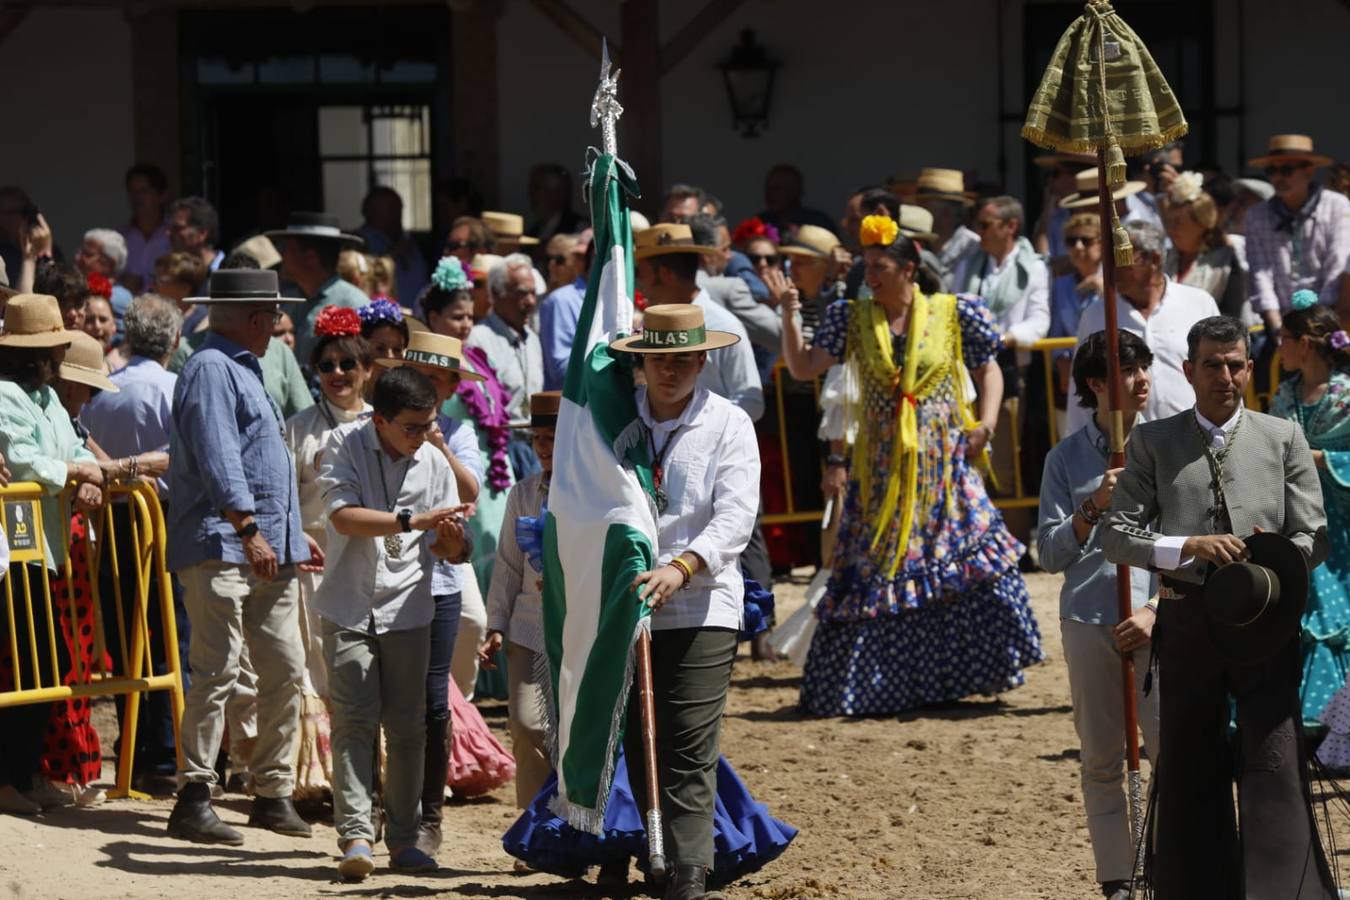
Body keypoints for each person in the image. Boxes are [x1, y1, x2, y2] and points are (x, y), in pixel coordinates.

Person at [1103, 315, 1336, 898]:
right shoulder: (1154, 441)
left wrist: (1274, 563)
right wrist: (1186, 546)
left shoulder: (1281, 437)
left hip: (1266, 623)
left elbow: (1316, 535)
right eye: (1212, 364)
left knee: (1273, 763)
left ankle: (1285, 892)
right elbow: (1116, 534)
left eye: (1235, 365)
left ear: (1250, 370)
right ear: (1188, 370)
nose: (1225, 376)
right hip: (1187, 622)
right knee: (1188, 767)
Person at [783, 215, 1043, 717]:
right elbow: (803, 367)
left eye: (880, 267)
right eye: (866, 267)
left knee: (961, 556)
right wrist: (790, 315)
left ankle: (959, 674)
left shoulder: (954, 312)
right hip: (880, 473)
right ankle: (881, 686)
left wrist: (985, 425)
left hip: (943, 468)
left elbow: (988, 367)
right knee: (876, 567)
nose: (870, 276)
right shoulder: (850, 318)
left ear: (909, 269)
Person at [607, 303, 760, 899]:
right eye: (657, 358)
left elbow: (735, 517)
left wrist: (683, 565)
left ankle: (691, 867)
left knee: (689, 735)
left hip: (704, 602)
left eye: (681, 358)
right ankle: (656, 848)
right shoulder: (614, 425)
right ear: (640, 363)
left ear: (701, 359)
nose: (669, 370)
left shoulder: (729, 423)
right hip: (625, 599)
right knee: (637, 735)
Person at [164, 269, 319, 845]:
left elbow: (258, 460)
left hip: (259, 547)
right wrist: (250, 526)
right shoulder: (211, 368)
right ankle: (194, 793)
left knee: (284, 668)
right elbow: (220, 455)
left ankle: (271, 791)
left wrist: (287, 534)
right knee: (217, 669)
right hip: (223, 545)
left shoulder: (238, 367)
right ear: (257, 320)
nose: (280, 326)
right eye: (276, 317)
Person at [314, 365, 469, 880]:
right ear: (378, 419)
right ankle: (357, 836)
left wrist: (450, 542)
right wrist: (413, 522)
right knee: (354, 722)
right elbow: (342, 517)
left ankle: (404, 841)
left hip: (409, 608)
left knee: (407, 728)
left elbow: (455, 548)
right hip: (349, 604)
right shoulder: (342, 443)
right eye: (412, 427)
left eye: (428, 426)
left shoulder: (433, 459)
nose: (423, 437)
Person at [1037, 330, 1159, 900]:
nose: (1140, 380)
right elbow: (1050, 553)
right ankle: (1117, 877)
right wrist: (1092, 507)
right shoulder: (1063, 459)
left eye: (1144, 368)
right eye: (1127, 370)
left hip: (1160, 622)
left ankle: (1171, 865)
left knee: (1172, 754)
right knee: (1104, 758)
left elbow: (1189, 541)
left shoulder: (1168, 447)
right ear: (1095, 383)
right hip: (1088, 619)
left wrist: (1157, 608)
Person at [374, 329, 484, 854]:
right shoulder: (381, 428)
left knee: (433, 701)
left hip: (439, 581)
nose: (435, 387)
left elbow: (469, 498)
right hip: (386, 579)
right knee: (387, 697)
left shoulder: (457, 435)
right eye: (426, 377)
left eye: (443, 379)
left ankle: (429, 814)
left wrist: (436, 443)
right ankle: (388, 804)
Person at [0, 294, 104, 816]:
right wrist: (73, 473)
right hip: (16, 548)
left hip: (47, 547)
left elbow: (77, 449)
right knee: (21, 663)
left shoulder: (44, 399)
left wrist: (86, 474)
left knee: (47, 663)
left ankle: (26, 773)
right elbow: (20, 460)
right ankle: (7, 778)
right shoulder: (5, 395)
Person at [79, 294, 184, 790]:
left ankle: (134, 747)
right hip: (159, 519)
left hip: (115, 523)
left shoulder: (104, 390)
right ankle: (162, 755)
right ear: (176, 340)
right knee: (167, 636)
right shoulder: (176, 389)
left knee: (125, 638)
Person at [281, 305, 375, 802]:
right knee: (315, 664)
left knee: (364, 664)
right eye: (326, 365)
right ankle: (319, 780)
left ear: (366, 368)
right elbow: (280, 494)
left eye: (347, 364)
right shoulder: (298, 427)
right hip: (313, 559)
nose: (337, 374)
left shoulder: (384, 425)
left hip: (370, 560)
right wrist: (296, 535)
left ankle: (369, 775)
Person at [419, 257, 516, 694]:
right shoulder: (417, 370)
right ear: (433, 318)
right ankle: (454, 697)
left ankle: (475, 688)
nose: (464, 324)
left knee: (496, 570)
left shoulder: (473, 357)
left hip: (481, 469)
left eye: (469, 317)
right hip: (441, 488)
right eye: (456, 317)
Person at [1270, 291, 1350, 726]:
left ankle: (1333, 719)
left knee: (1332, 608)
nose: (1278, 346)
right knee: (1305, 603)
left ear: (1305, 343)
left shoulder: (1346, 395)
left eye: (1284, 338)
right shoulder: (1284, 396)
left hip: (1342, 525)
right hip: (1297, 519)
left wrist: (1317, 459)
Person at [479, 390, 557, 812]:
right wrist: (497, 624)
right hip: (530, 625)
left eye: (553, 438)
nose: (544, 449)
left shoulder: (595, 493)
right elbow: (508, 565)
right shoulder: (523, 493)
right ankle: (534, 828)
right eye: (538, 440)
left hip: (581, 629)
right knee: (527, 725)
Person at [1068, 220, 1220, 436]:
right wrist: (1081, 448)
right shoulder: (1096, 315)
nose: (1110, 271)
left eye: (1120, 260)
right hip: (1128, 449)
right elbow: (1081, 390)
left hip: (1194, 440)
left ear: (1155, 259)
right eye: (1107, 261)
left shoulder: (1198, 303)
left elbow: (1222, 372)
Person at [633, 224, 764, 422]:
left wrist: (701, 430)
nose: (639, 282)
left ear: (666, 274)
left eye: (641, 273)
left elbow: (750, 401)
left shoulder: (724, 326)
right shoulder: (651, 322)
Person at [1244, 134, 1350, 334]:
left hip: (1327, 322)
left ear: (1308, 171)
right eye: (1272, 170)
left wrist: (1316, 324)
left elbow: (1336, 265)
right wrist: (1278, 328)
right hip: (1280, 325)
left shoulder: (1337, 206)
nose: (1278, 177)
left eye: (1286, 170)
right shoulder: (1256, 215)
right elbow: (1261, 275)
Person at [467, 253, 544, 478]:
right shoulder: (478, 339)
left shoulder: (532, 338)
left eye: (533, 293)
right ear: (498, 295)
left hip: (537, 448)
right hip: (501, 450)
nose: (530, 301)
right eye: (521, 293)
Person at [267, 212, 370, 359]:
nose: (281, 256)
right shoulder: (285, 301)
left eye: (286, 249)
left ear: (310, 257)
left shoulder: (356, 305)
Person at [687, 213, 780, 359]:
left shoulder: (666, 283)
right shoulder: (729, 289)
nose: (730, 256)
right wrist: (785, 305)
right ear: (706, 255)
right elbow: (781, 336)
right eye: (725, 249)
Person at [1160, 172, 1249, 321]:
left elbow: (1231, 316)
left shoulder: (1224, 262)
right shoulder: (1164, 258)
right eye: (1170, 222)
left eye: (1179, 222)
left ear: (1201, 224)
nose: (1172, 229)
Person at [1049, 213, 1103, 433]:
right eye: (1071, 241)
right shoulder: (1061, 285)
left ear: (1102, 243)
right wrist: (1061, 360)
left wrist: (1101, 287)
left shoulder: (1116, 280)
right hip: (1073, 376)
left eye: (1086, 240)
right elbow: (1056, 331)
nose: (1078, 247)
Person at [355, 186, 429, 311]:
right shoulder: (360, 241)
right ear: (371, 212)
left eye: (399, 209)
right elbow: (367, 274)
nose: (397, 215)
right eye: (391, 210)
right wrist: (393, 254)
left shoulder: (408, 241)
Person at [539, 231, 593, 390]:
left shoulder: (618, 299)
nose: (552, 265)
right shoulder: (560, 301)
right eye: (580, 257)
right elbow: (561, 371)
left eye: (560, 260)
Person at [913, 168, 979, 275]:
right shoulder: (918, 243)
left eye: (925, 208)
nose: (918, 213)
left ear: (946, 212)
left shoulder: (973, 247)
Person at [1030, 152, 1095, 261]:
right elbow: (1043, 263)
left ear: (1077, 176)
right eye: (1048, 175)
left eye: (1055, 174)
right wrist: (1046, 215)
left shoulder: (1117, 211)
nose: (1049, 180)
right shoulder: (1054, 218)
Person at [120, 163, 173, 294]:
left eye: (144, 191)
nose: (137, 198)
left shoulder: (174, 235)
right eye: (132, 191)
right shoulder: (121, 237)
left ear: (162, 195)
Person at [74, 229, 135, 337]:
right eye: (79, 252)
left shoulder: (117, 298)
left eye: (88, 254)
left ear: (109, 263)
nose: (78, 258)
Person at [759, 163, 837, 239]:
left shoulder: (818, 223)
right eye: (768, 188)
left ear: (794, 191)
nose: (771, 194)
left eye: (777, 189)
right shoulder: (760, 223)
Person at [526, 163, 582, 243]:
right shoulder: (532, 233)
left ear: (557, 193)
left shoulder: (580, 228)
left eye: (537, 187)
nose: (531, 193)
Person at [168, 197, 224, 273]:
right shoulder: (179, 274)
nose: (168, 233)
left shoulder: (228, 270)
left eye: (177, 228)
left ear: (202, 234)